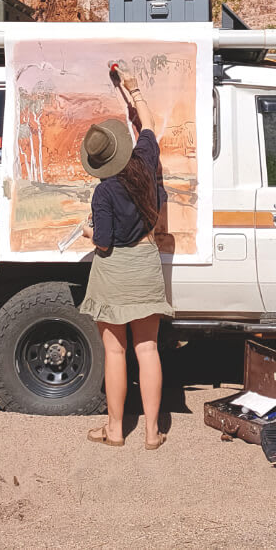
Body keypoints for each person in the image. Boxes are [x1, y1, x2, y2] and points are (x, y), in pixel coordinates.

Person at [78, 67, 174, 449]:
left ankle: (116, 430)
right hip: (146, 262)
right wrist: (133, 90)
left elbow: (102, 243)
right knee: (147, 349)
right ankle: (152, 432)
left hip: (114, 269)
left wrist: (86, 230)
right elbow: (148, 123)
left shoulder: (103, 193)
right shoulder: (146, 159)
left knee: (115, 351)